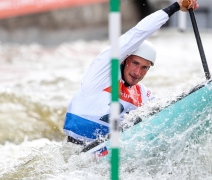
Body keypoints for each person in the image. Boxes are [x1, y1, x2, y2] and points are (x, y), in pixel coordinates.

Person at [63, 0, 199, 145]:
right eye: (135, 63)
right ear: (124, 60)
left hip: (108, 149)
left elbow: (167, 113)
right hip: (75, 149)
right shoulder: (101, 74)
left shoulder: (142, 94)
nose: (137, 72)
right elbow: (137, 34)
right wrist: (176, 6)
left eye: (144, 67)